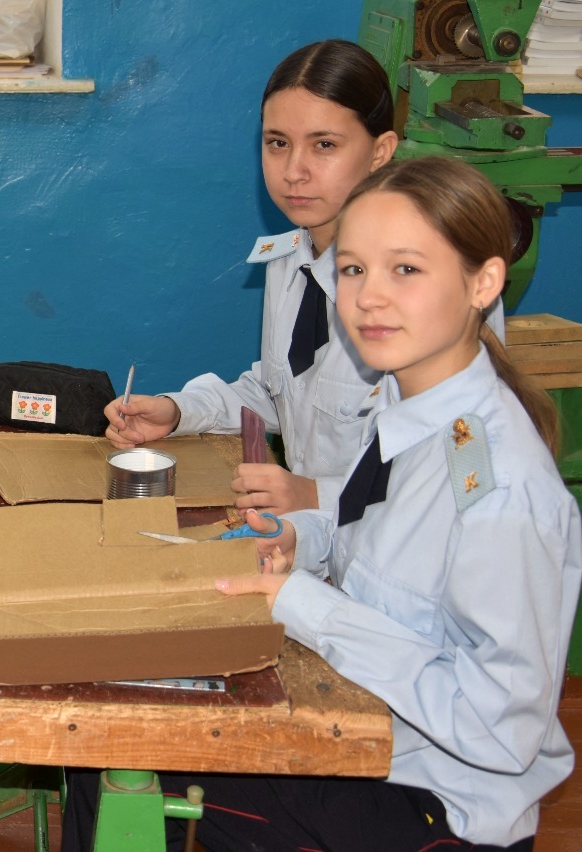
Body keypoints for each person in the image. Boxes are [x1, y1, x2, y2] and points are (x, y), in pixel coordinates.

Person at [66, 157, 581, 851]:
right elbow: (377, 544)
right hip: (372, 737)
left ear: (483, 282)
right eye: (353, 269)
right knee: (110, 714)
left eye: (406, 269)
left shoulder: (498, 491)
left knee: (109, 746)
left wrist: (303, 603)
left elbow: (502, 729)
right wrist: (300, 539)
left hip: (432, 806)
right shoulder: (410, 401)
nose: (369, 298)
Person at [104, 40, 496, 516]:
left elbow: (465, 474)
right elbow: (283, 392)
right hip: (311, 538)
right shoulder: (291, 259)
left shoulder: (429, 289)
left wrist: (318, 496)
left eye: (324, 145)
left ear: (380, 152)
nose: (294, 171)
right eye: (278, 143)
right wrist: (179, 410)